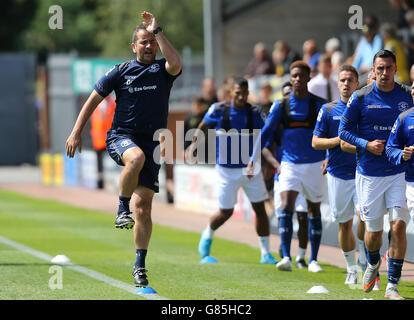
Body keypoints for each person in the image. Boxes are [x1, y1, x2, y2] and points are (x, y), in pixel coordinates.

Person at [65, 11, 181, 288]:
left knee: (144, 208)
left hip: (152, 143)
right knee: (135, 159)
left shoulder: (163, 70)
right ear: (134, 46)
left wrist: (158, 30)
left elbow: (176, 63)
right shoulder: (120, 71)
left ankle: (139, 266)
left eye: (152, 41)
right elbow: (93, 100)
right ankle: (120, 208)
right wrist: (76, 131)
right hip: (122, 137)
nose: (149, 46)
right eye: (144, 42)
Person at [339, 49, 413, 299]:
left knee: (399, 226)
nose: (384, 73)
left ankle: (392, 286)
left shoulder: (406, 96)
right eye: (379, 68)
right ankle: (372, 263)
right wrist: (365, 144)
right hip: (369, 174)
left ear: (395, 69)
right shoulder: (360, 97)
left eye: (388, 68)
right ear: (373, 70)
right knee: (373, 234)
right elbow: (343, 131)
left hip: (398, 173)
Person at [188, 77, 278, 265]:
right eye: (238, 93)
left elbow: (267, 136)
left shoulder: (255, 111)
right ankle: (208, 233)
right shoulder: (219, 110)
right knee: (226, 212)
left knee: (260, 209)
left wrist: (269, 163)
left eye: (245, 93)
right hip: (226, 171)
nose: (241, 96)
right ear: (231, 93)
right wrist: (193, 146)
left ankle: (265, 253)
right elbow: (202, 126)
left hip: (250, 169)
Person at [248, 61, 327, 272]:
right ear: (290, 79)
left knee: (312, 211)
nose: (298, 79)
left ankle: (313, 260)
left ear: (309, 78)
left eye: (302, 76)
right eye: (294, 76)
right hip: (289, 164)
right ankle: (286, 257)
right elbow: (264, 134)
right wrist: (253, 159)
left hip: (314, 164)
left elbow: (330, 134)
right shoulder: (280, 105)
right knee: (286, 207)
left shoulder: (320, 105)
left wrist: (329, 157)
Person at [312, 64, 361, 285]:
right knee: (345, 224)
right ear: (337, 83)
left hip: (364, 174)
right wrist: (337, 142)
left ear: (357, 84)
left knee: (367, 221)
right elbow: (315, 142)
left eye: (350, 80)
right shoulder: (328, 110)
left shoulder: (366, 109)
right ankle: (352, 268)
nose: (346, 84)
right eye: (342, 80)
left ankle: (368, 263)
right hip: (338, 175)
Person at [262, 81, 310, 269]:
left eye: (291, 93)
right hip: (282, 175)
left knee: (303, 215)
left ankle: (302, 257)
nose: (289, 96)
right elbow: (265, 147)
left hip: (303, 171)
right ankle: (285, 253)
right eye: (286, 94)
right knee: (284, 213)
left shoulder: (306, 116)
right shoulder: (278, 121)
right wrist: (276, 164)